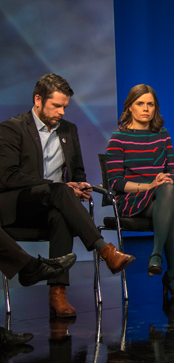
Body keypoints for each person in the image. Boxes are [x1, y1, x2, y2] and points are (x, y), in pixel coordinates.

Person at [0, 74, 135, 318]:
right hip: (17, 205)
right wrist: (57, 186)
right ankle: (105, 250)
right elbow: (8, 177)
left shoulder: (68, 130)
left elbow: (77, 170)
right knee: (60, 191)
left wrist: (81, 185)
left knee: (61, 214)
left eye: (65, 106)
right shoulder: (12, 128)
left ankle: (57, 294)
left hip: (54, 202)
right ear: (38, 100)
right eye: (57, 106)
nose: (62, 111)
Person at [105, 84, 174, 299]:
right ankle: (171, 273)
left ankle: (156, 256)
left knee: (172, 196)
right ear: (129, 107)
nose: (146, 109)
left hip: (161, 196)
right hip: (130, 199)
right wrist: (149, 186)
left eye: (150, 104)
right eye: (140, 104)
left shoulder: (162, 134)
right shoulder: (118, 137)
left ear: (155, 108)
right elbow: (115, 182)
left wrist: (164, 180)